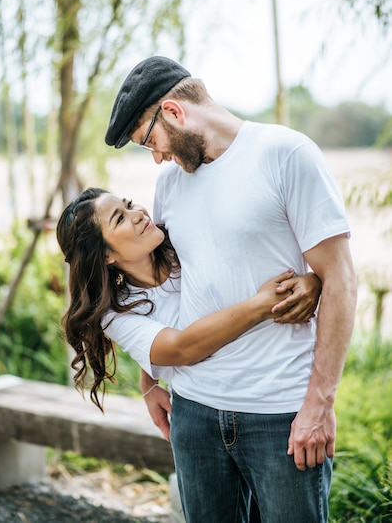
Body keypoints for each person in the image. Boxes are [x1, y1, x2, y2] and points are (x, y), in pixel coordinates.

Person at [105, 56, 358, 523]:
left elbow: (341, 277)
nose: (156, 156)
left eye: (149, 141)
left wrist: (320, 403)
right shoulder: (170, 184)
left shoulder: (286, 153)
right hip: (194, 414)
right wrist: (149, 379)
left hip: (280, 413)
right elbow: (172, 284)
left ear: (174, 113)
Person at [56, 187, 321, 412]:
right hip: (198, 414)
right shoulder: (117, 313)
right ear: (105, 256)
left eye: (129, 205)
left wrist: (313, 280)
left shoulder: (185, 245)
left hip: (272, 395)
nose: (138, 214)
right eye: (120, 219)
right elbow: (183, 349)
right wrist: (261, 306)